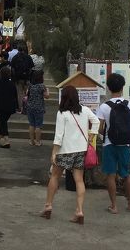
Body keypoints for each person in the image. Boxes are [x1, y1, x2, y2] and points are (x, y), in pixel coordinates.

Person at [41, 85, 99, 223]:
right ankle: (79, 211)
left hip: (65, 151)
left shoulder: (62, 113)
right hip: (81, 150)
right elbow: (96, 121)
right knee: (79, 180)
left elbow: (59, 136)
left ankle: (48, 206)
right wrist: (91, 136)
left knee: (55, 176)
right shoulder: (85, 110)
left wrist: (54, 152)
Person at [97, 73, 130, 213]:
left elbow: (100, 129)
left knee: (111, 175)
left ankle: (114, 206)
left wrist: (108, 134)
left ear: (108, 88)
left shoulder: (104, 107)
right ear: (122, 87)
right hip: (125, 144)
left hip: (109, 144)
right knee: (126, 174)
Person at [0, 66, 18, 148]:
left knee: (2, 122)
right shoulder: (11, 84)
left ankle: (7, 141)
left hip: (0, 106)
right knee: (2, 121)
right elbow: (15, 95)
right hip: (9, 107)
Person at [26, 70, 49, 146]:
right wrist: (48, 91)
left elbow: (26, 94)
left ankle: (31, 141)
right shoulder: (42, 86)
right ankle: (38, 141)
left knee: (31, 124)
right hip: (39, 107)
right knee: (38, 125)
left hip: (30, 107)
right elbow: (47, 96)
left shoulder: (30, 85)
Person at [11, 42, 34, 113]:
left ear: (18, 49)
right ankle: (27, 107)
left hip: (18, 78)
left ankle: (21, 108)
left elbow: (12, 69)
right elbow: (31, 68)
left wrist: (14, 78)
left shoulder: (15, 57)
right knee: (27, 93)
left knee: (19, 94)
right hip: (26, 78)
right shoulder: (28, 57)